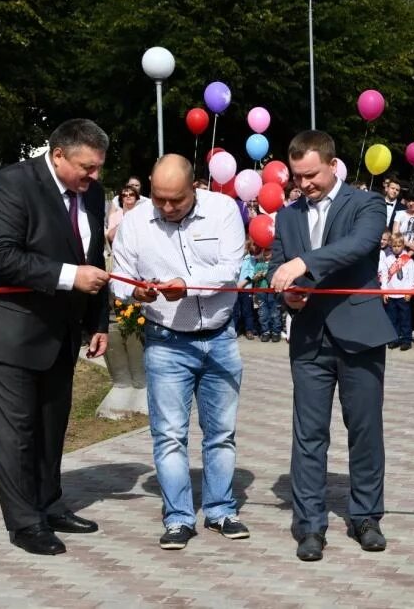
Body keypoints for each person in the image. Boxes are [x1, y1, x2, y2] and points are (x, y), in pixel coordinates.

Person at [0, 118, 111, 555]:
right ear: (57, 154)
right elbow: (1, 257)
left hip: (59, 331)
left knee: (51, 424)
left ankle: (49, 503)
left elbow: (92, 258)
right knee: (15, 431)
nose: (94, 178)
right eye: (86, 167)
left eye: (98, 168)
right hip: (5, 330)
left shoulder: (91, 193)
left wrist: (98, 321)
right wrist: (68, 276)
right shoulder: (10, 184)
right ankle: (24, 523)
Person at [268, 130, 396, 562]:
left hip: (360, 334)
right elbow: (276, 266)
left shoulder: (367, 203)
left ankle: (365, 518)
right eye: (297, 177)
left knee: (364, 431)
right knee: (308, 436)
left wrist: (305, 263)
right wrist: (287, 294)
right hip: (308, 338)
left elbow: (359, 246)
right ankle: (309, 525)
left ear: (332, 164)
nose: (303, 185)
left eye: (310, 175)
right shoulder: (286, 216)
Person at [111, 154, 248, 551]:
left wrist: (186, 285)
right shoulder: (134, 222)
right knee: (169, 435)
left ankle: (221, 510)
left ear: (196, 187)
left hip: (220, 338)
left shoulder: (223, 210)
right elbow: (120, 278)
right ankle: (178, 518)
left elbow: (230, 268)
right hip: (166, 341)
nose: (168, 208)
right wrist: (134, 291)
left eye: (177, 200)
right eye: (159, 199)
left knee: (221, 433)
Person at [380, 233, 414, 351]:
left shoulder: (408, 260)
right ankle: (394, 339)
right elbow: (384, 276)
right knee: (392, 318)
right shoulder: (387, 259)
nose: (396, 248)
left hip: (403, 294)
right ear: (390, 245)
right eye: (394, 245)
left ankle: (406, 340)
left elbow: (411, 277)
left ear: (403, 245)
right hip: (391, 293)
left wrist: (409, 291)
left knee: (405, 318)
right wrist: (384, 292)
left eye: (399, 245)